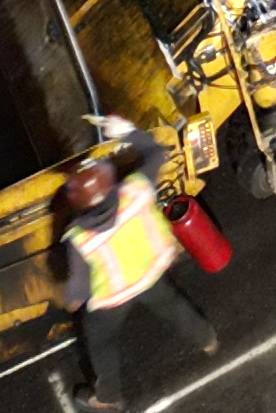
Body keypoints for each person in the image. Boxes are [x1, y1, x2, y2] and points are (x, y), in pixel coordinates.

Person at [52, 147, 215, 410]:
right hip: (151, 271)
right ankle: (206, 338)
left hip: (116, 296)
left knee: (100, 339)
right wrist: (127, 133)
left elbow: (77, 293)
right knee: (172, 304)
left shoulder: (80, 237)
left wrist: (71, 299)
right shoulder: (134, 191)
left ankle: (108, 398)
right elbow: (155, 154)